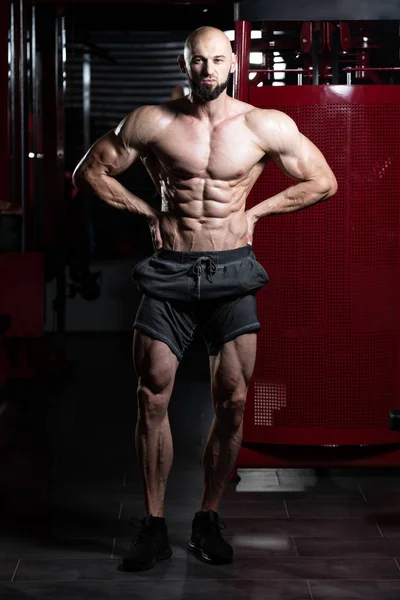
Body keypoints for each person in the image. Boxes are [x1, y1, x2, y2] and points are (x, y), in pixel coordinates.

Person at [72, 26, 338, 572]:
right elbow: (90, 171)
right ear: (183, 63)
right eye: (199, 60)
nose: (208, 69)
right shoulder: (153, 123)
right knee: (151, 396)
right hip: (170, 271)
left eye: (218, 59)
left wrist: (257, 213)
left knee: (234, 400)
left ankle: (207, 518)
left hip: (233, 270)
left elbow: (322, 180)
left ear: (233, 63)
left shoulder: (264, 124)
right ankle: (153, 524)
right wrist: (148, 213)